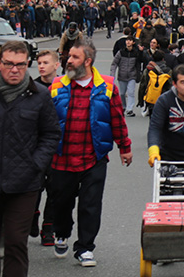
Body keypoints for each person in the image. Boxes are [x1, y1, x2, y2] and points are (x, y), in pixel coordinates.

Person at [0, 40, 61, 277]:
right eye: (9, 64)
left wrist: (36, 165)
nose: (15, 69)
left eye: (21, 64)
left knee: (16, 244)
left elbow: (50, 134)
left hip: (23, 184)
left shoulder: (39, 96)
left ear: (27, 64)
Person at [47, 39, 133, 267]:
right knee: (62, 203)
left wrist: (125, 147)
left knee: (90, 204)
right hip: (62, 158)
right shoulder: (56, 86)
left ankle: (85, 247)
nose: (68, 60)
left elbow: (116, 119)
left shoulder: (106, 86)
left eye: (74, 57)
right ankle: (62, 232)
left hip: (93, 158)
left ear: (87, 61)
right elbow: (43, 122)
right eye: (68, 56)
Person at [33, 50, 62, 246]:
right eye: (39, 62)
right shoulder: (32, 87)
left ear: (56, 65)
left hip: (57, 146)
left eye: (46, 62)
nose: (41, 66)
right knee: (33, 188)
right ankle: (31, 216)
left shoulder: (63, 87)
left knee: (55, 190)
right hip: (34, 145)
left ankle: (49, 228)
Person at [108, 35, 144, 117]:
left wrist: (141, 51)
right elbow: (114, 64)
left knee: (131, 92)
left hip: (132, 75)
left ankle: (129, 109)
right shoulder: (121, 52)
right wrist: (112, 75)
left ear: (133, 42)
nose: (128, 42)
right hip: (122, 75)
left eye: (130, 40)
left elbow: (141, 61)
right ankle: (123, 107)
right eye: (127, 40)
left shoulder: (136, 53)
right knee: (122, 93)